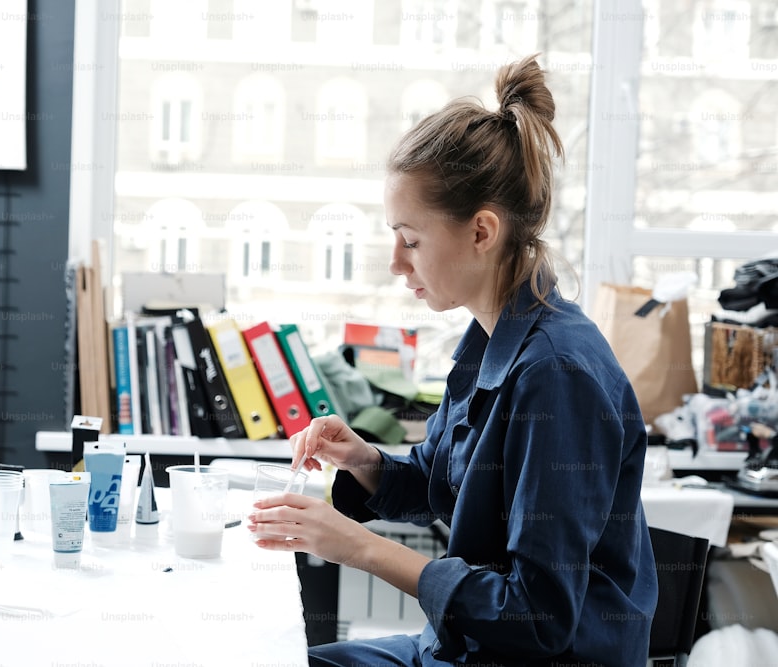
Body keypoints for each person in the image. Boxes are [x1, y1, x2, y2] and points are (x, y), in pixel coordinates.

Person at [248, 54, 658, 667]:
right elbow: (444, 484)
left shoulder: (558, 374)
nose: (395, 261)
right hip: (462, 651)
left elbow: (537, 616)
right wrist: (365, 461)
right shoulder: (487, 340)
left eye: (411, 240)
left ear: (482, 232)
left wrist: (362, 548)